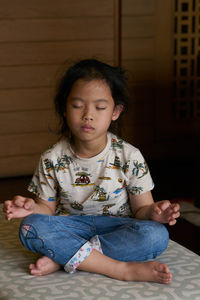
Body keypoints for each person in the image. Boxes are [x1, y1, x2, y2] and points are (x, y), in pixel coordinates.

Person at [3, 59, 180, 284]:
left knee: (156, 235)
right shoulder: (52, 158)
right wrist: (30, 208)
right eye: (77, 105)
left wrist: (154, 213)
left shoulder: (129, 156)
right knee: (30, 227)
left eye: (100, 107)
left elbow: (142, 210)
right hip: (70, 227)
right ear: (64, 109)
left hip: (116, 228)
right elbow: (45, 210)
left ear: (115, 111)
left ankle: (64, 257)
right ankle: (120, 268)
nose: (88, 115)